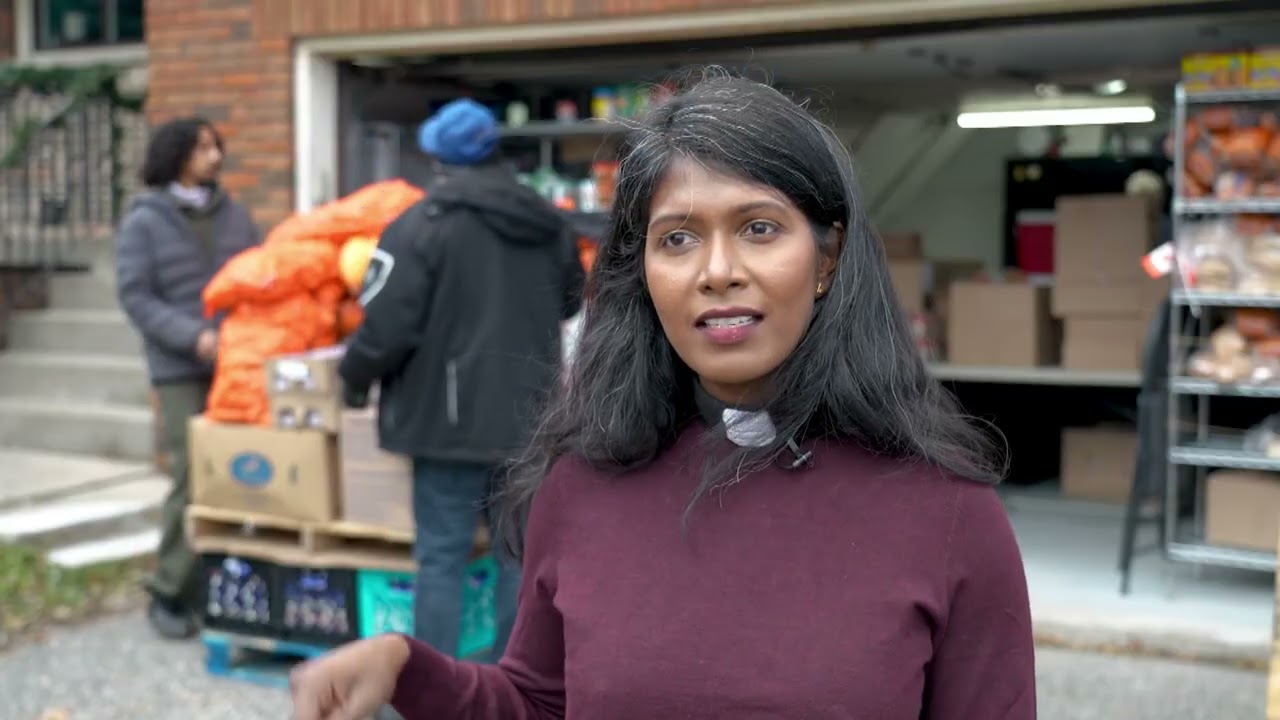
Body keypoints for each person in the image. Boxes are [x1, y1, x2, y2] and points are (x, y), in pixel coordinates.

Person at [295, 73, 1035, 719]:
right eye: (677, 239)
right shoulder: (582, 485)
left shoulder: (946, 513)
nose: (717, 270)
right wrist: (408, 667)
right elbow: (539, 704)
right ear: (641, 272)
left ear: (827, 257)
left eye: (759, 228)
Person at [337, 98, 585, 662]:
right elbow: (571, 302)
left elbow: (387, 327)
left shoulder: (420, 226)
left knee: (443, 558)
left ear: (439, 159)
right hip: (531, 422)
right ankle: (513, 689)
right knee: (517, 560)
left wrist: (352, 379)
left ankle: (435, 694)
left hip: (446, 425)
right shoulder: (548, 224)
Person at [115, 117, 260, 639]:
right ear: (176, 154)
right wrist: (190, 335)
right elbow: (135, 295)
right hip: (179, 368)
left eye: (217, 146)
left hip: (237, 365)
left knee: (235, 474)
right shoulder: (144, 220)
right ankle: (170, 590)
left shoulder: (235, 215)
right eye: (203, 148)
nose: (215, 156)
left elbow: (256, 276)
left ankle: (214, 589)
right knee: (191, 474)